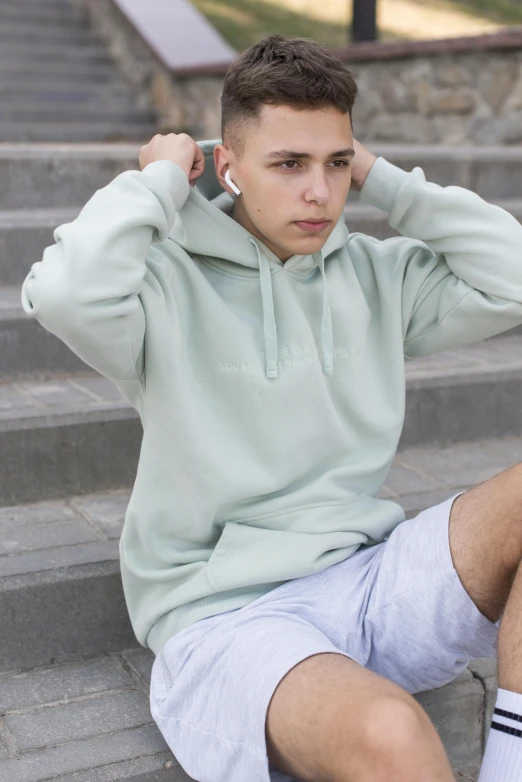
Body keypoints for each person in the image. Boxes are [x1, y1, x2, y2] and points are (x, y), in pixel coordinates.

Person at [20, 33, 522, 782]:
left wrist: (386, 179)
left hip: (368, 582)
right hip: (230, 620)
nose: (318, 192)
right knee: (392, 733)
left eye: (336, 164)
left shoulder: (376, 277)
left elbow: (512, 278)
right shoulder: (160, 286)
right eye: (288, 164)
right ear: (229, 166)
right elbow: (63, 294)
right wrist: (157, 183)